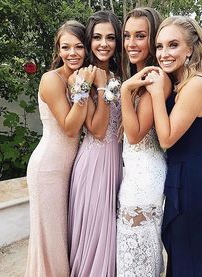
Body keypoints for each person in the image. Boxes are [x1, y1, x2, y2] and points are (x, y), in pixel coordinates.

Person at [145, 16, 202, 277]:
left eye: (173, 45)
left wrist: (156, 93)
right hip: (184, 174)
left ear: (190, 48)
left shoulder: (197, 84)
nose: (163, 54)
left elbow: (166, 139)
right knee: (182, 253)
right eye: (159, 46)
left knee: (189, 256)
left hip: (193, 180)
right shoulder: (182, 82)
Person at [25, 20, 96, 277]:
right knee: (51, 239)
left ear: (87, 49)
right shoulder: (51, 79)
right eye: (65, 47)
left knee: (66, 235)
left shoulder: (79, 77)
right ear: (58, 50)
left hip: (70, 167)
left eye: (78, 46)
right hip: (48, 169)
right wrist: (84, 87)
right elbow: (69, 127)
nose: (72, 53)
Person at [116, 7, 171, 276]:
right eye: (127, 35)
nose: (130, 43)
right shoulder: (141, 77)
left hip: (145, 177)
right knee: (132, 254)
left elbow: (136, 134)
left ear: (152, 40)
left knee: (137, 256)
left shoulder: (155, 78)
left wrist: (125, 90)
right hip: (134, 175)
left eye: (140, 36)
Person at [68, 11, 122, 277]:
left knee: (111, 236)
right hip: (93, 165)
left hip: (117, 164)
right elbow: (98, 130)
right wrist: (101, 88)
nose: (104, 44)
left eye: (110, 37)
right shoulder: (81, 78)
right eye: (98, 37)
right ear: (89, 41)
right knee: (96, 234)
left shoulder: (120, 73)